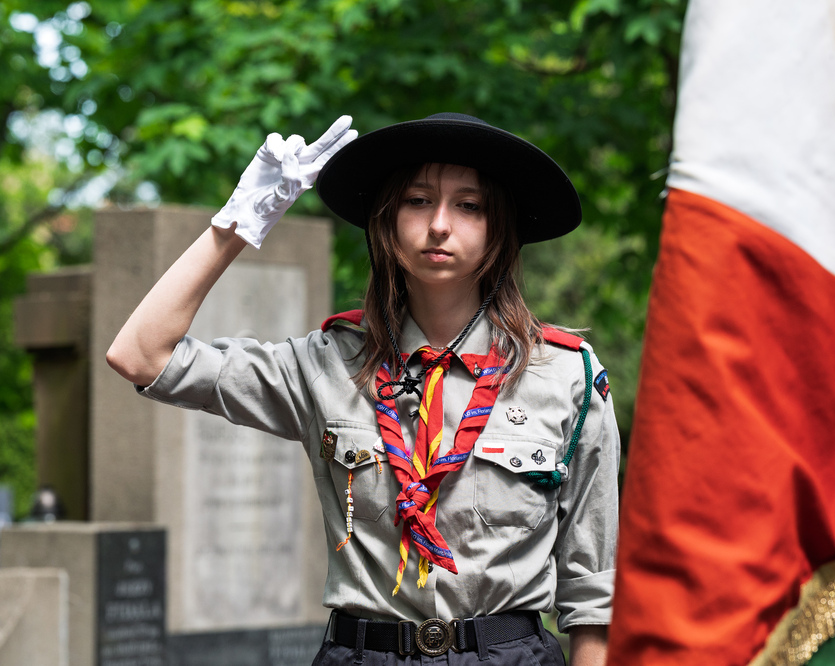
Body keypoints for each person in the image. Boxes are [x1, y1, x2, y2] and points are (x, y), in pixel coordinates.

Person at [106, 112, 620, 665]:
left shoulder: (566, 375)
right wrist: (234, 226)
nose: (440, 224)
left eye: (470, 206)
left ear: (502, 227)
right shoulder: (326, 364)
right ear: (387, 220)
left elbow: (593, 590)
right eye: (418, 201)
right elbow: (141, 355)